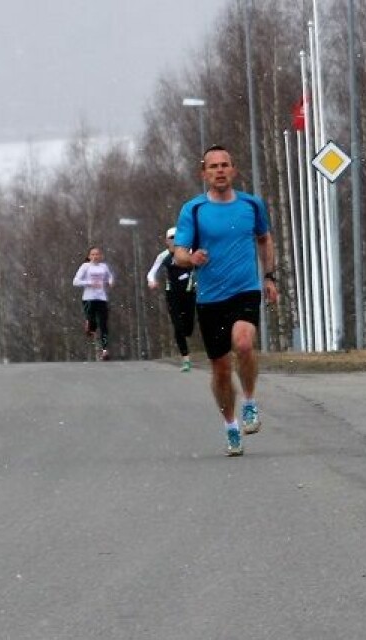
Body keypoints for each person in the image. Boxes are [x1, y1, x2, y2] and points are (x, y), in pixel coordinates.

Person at [172, 145, 278, 456]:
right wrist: (191, 258)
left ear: (233, 170)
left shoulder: (251, 205)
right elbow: (178, 253)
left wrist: (269, 277)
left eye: (225, 165)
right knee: (219, 368)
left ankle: (249, 402)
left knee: (243, 344)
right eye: (213, 166)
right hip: (210, 297)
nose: (219, 170)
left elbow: (264, 238)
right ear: (204, 174)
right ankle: (231, 425)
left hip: (245, 289)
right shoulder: (193, 210)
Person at [146, 226, 196, 372]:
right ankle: (186, 359)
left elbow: (202, 266)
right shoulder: (163, 256)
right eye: (171, 238)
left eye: (177, 238)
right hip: (172, 294)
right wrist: (151, 281)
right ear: (167, 241)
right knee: (177, 326)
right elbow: (151, 273)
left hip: (189, 293)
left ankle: (186, 335)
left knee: (188, 328)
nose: (174, 241)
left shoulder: (190, 252)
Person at [73, 246, 115, 361]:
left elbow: (110, 276)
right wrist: (90, 283)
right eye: (93, 254)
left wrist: (110, 282)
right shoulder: (85, 267)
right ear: (89, 256)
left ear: (101, 256)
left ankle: (105, 350)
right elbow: (75, 281)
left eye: (97, 254)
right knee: (92, 325)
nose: (95, 257)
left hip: (102, 298)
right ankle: (89, 325)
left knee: (103, 324)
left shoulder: (104, 267)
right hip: (88, 298)